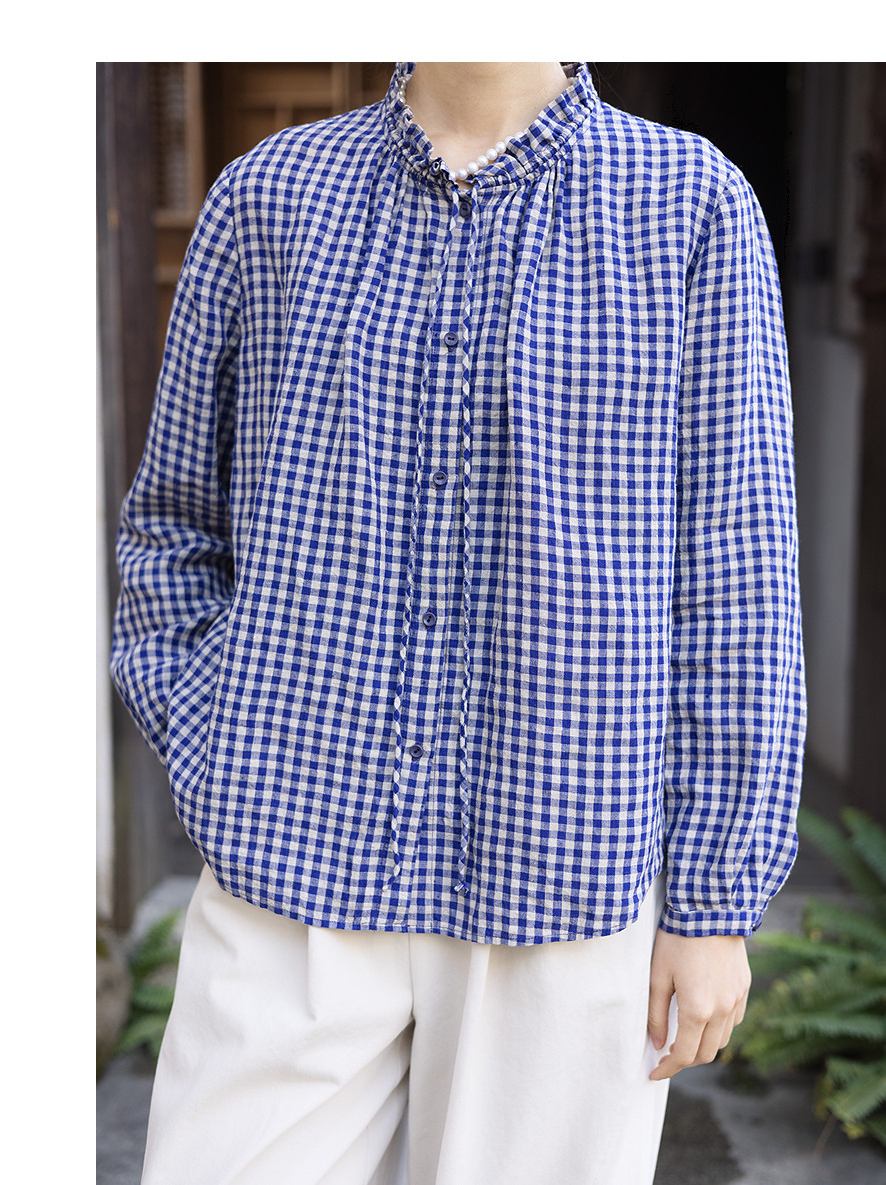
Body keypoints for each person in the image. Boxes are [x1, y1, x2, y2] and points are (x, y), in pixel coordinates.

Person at [110, 60, 807, 1185]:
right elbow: (173, 524)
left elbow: (737, 579)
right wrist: (220, 748)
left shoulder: (691, 205)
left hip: (565, 874)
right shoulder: (267, 195)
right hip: (289, 867)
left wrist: (715, 902)